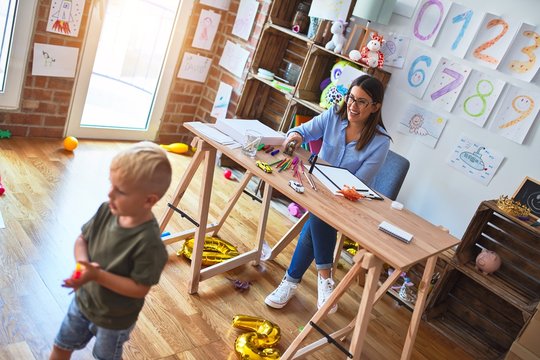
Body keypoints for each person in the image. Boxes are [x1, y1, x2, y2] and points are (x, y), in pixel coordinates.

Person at [265, 75, 391, 313]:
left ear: (375, 107)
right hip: (318, 192)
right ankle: (321, 280)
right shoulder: (334, 116)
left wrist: (329, 195)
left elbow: (357, 182)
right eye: (351, 98)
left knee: (319, 216)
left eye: (362, 102)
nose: (353, 106)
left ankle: (296, 282)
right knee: (318, 216)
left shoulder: (381, 142)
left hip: (350, 201)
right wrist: (295, 137)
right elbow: (302, 131)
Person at [50, 142, 172, 360]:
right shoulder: (107, 210)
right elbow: (82, 239)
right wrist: (83, 266)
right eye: (111, 184)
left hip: (115, 319)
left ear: (149, 200)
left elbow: (139, 288)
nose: (110, 193)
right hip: (83, 300)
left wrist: (97, 275)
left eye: (120, 190)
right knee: (61, 346)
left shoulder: (150, 244)